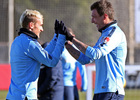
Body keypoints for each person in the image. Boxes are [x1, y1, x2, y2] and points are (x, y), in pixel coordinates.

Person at [64, 0, 127, 100]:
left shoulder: (114, 33)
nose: (92, 21)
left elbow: (95, 54)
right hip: (101, 91)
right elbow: (85, 59)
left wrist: (72, 38)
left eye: (94, 17)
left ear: (105, 16)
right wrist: (67, 44)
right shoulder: (105, 34)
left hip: (111, 91)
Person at [6, 9, 68, 100]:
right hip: (26, 97)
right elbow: (52, 61)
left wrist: (56, 37)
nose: (42, 29)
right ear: (31, 25)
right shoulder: (29, 43)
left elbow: (43, 54)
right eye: (40, 25)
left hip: (13, 96)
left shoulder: (18, 40)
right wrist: (62, 38)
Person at [61, 28, 87, 100]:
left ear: (73, 36)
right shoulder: (60, 51)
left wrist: (84, 84)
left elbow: (82, 69)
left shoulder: (77, 51)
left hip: (73, 85)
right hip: (63, 85)